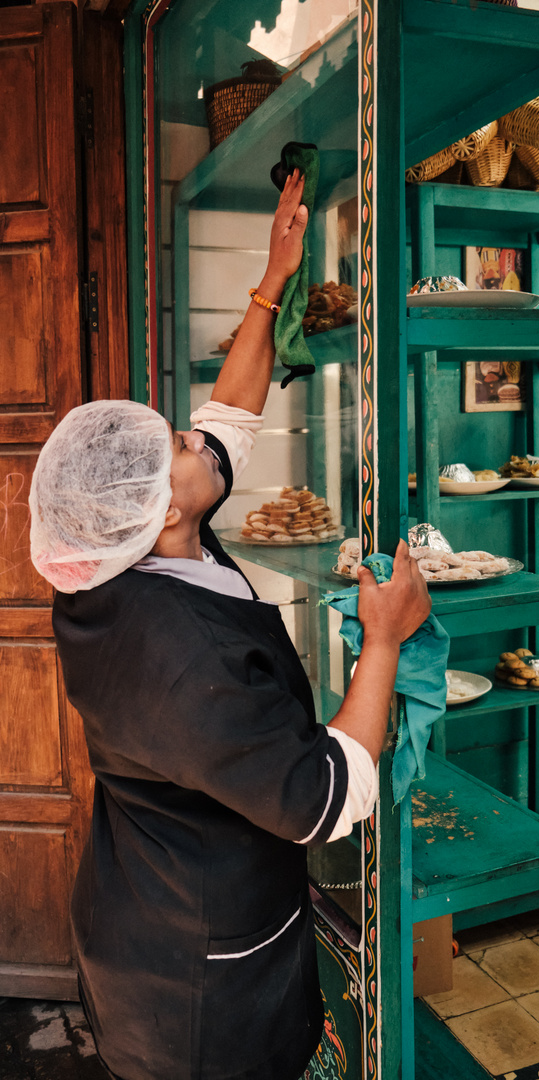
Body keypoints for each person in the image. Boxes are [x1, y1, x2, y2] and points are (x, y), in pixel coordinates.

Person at [29, 170, 431, 1080]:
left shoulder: (117, 556)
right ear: (164, 512)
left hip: (144, 902)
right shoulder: (175, 660)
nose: (194, 441)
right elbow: (325, 800)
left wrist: (273, 279)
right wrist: (386, 638)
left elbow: (229, 422)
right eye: (176, 448)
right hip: (194, 981)